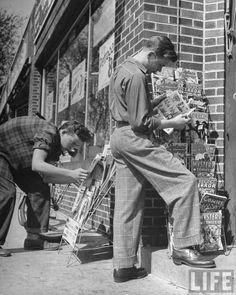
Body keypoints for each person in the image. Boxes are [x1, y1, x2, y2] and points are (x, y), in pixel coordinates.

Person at [109, 35, 216, 283]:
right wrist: (172, 122)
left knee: (128, 203)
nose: (159, 70)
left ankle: (123, 267)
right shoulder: (137, 75)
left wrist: (152, 103)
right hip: (135, 138)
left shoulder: (121, 69)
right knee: (184, 181)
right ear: (153, 54)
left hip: (120, 137)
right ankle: (184, 247)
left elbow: (130, 110)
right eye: (160, 64)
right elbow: (141, 122)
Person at [0, 115, 92, 257]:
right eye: (73, 143)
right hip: (2, 152)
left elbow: (46, 177)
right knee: (6, 192)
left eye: (77, 148)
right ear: (63, 132)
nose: (73, 150)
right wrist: (70, 173)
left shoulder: (56, 147)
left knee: (39, 188)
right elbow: (37, 164)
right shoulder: (48, 131)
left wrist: (73, 179)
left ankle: (34, 238)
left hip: (17, 158)